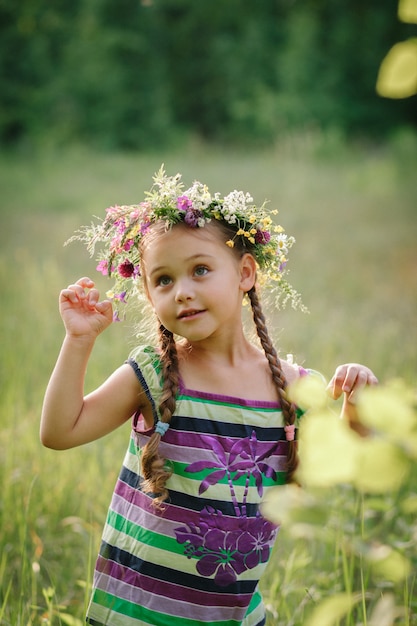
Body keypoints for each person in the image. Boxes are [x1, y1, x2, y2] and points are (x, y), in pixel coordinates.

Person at [41, 167, 378, 626]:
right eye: (163, 280)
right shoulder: (154, 372)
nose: (183, 291)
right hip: (137, 615)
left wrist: (356, 406)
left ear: (244, 273)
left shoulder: (295, 389)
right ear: (147, 293)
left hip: (233, 616)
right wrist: (78, 341)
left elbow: (341, 476)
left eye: (201, 270)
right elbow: (60, 432)